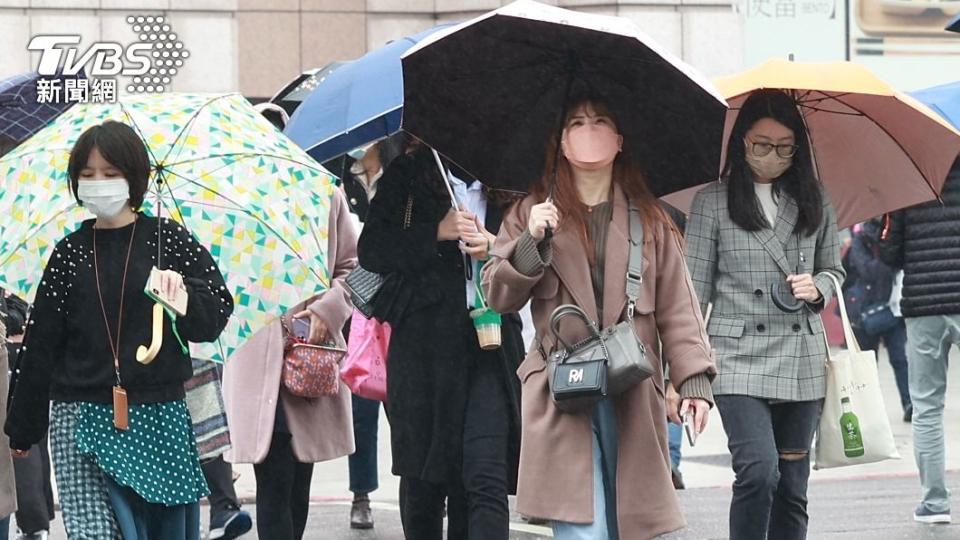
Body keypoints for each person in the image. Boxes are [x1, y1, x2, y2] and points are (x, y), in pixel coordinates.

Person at [482, 94, 715, 539]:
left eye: (600, 120)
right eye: (576, 122)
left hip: (631, 383)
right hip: (561, 387)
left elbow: (678, 307)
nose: (589, 130)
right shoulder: (530, 212)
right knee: (583, 526)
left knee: (630, 523)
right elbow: (498, 296)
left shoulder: (650, 218)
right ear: (560, 144)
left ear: (620, 139)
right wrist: (531, 241)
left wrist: (694, 383)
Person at [4, 120, 234, 539]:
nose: (98, 183)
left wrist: (182, 297)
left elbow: (215, 314)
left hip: (160, 415)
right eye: (87, 174)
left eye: (110, 173)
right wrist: (23, 425)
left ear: (134, 178)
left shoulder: (168, 241)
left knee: (160, 529)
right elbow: (41, 345)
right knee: (94, 533)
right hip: (79, 414)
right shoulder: (68, 253)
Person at [685, 89, 844, 540]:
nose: (772, 156)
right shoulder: (712, 202)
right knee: (758, 472)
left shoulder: (815, 198)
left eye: (783, 147)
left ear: (798, 149)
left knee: (793, 488)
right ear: (741, 143)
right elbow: (692, 294)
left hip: (801, 357)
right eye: (761, 144)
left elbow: (835, 268)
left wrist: (819, 288)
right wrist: (682, 376)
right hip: (736, 357)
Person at [358, 136, 524, 539]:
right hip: (424, 350)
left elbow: (535, 255)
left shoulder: (510, 183)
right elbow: (372, 250)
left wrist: (495, 248)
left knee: (484, 476)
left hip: (490, 344)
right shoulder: (409, 174)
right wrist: (436, 231)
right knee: (425, 479)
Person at [221, 166, 359, 539]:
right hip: (255, 362)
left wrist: (326, 309)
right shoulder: (231, 201)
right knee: (274, 480)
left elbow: (354, 268)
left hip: (310, 356)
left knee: (299, 483)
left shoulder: (324, 195)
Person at [878, 156, 960, 524]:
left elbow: (889, 251)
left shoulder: (908, 175)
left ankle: (935, 503)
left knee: (927, 406)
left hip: (924, 304)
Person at [330, 138, 404, 530]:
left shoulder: (401, 174)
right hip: (357, 307)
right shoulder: (342, 180)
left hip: (397, 301)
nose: (363, 145)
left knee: (404, 404)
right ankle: (361, 494)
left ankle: (419, 481)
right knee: (361, 406)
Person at [841, 219, 912, 421]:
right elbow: (868, 270)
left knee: (900, 359)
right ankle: (867, 408)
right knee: (867, 365)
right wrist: (888, 257)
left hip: (892, 309)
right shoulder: (860, 240)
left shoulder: (893, 237)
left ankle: (908, 403)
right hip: (865, 311)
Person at [3, 291, 54, 540]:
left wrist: (9, 318)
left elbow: (19, 309)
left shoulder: (14, 263)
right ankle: (34, 523)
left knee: (22, 442)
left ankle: (34, 524)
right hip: (20, 355)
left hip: (19, 359)